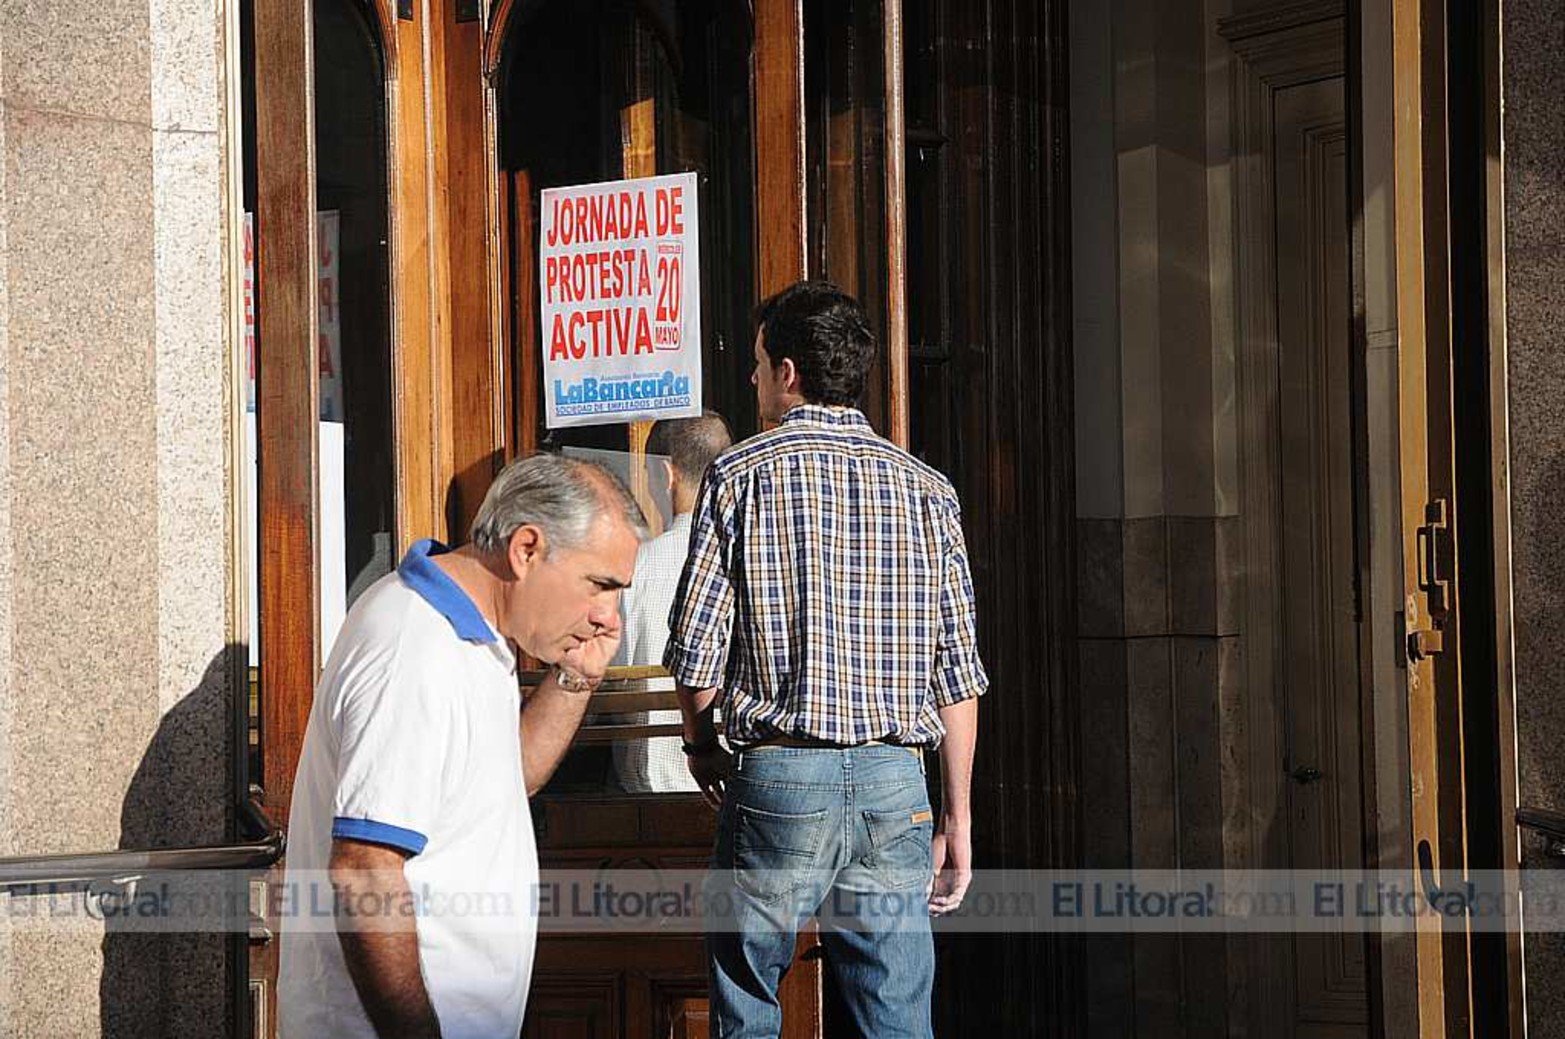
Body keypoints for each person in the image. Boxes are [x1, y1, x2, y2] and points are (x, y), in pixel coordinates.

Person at [665, 280, 988, 1039]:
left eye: (757, 363)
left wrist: (701, 745)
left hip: (780, 775)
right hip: (894, 781)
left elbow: (697, 648)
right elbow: (957, 672)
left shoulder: (739, 474)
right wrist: (958, 817)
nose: (751, 378)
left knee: (747, 1002)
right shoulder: (928, 489)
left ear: (787, 373)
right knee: (896, 1018)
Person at [278, 453, 644, 1039]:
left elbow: (508, 778)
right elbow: (365, 871)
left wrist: (576, 676)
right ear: (526, 549)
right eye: (600, 585)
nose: (608, 615)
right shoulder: (416, 647)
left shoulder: (473, 637)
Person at [612, 411, 734, 792]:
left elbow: (609, 683)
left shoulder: (636, 566)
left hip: (649, 793)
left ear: (666, 475)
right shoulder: (751, 561)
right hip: (737, 779)